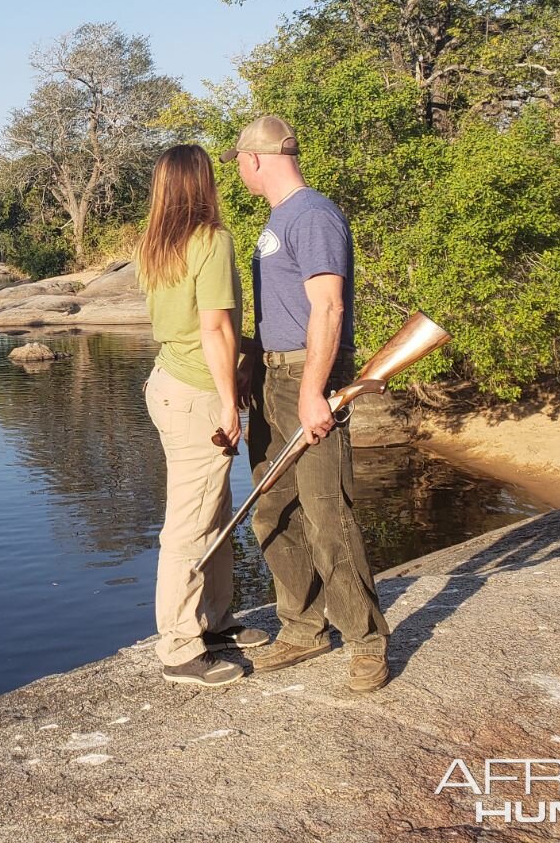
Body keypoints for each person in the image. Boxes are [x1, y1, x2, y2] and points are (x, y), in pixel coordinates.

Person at [223, 115, 392, 693]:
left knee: (327, 514)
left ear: (254, 159)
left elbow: (330, 308)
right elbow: (282, 310)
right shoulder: (279, 219)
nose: (239, 172)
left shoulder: (314, 214)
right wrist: (252, 366)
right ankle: (301, 628)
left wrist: (313, 391)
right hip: (273, 375)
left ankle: (366, 641)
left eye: (239, 163)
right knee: (273, 510)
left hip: (307, 378)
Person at [137, 143, 271, 687]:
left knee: (214, 508)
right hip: (195, 392)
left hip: (169, 382)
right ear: (203, 182)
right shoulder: (211, 240)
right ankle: (178, 647)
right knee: (191, 522)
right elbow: (214, 327)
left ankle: (214, 621)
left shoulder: (154, 244)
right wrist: (226, 399)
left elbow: (193, 326)